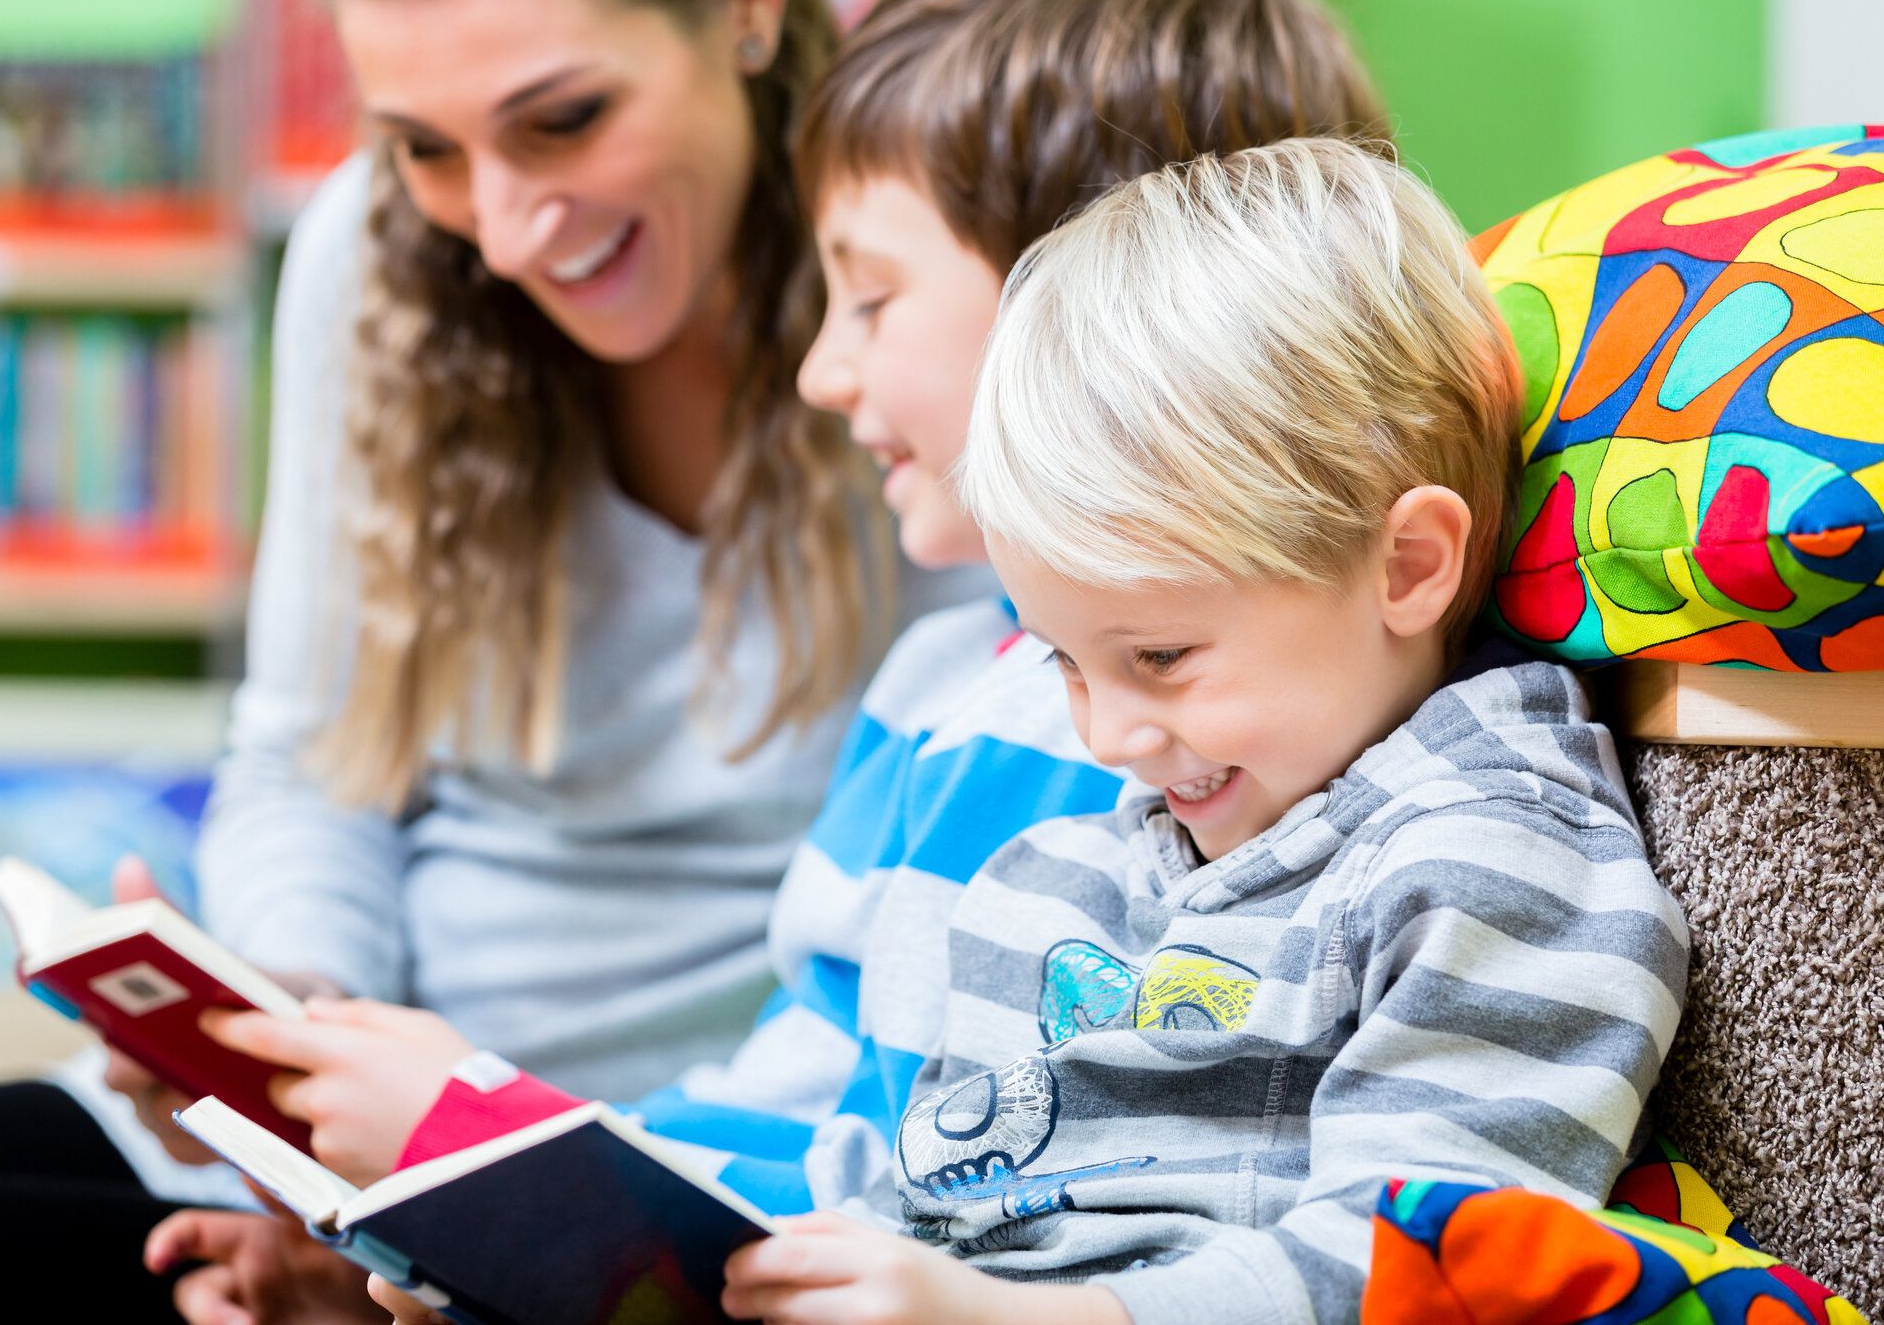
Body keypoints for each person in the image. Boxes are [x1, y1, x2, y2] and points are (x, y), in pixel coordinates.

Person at [151, 0, 1393, 1321]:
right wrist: (448, 1228)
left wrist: (472, 1151)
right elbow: (807, 1133)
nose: (819, 367)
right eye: (427, 148)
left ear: (1101, 306)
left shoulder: (1313, 761)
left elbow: (1027, 1210)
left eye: (865, 298)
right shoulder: (946, 699)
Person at [0, 0, 974, 1316]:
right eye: (427, 144)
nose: (510, 228)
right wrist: (282, 1010)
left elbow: (966, 895)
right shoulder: (378, 251)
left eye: (565, 119)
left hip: (679, 1171)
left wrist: (474, 1177)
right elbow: (312, 761)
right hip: (356, 1138)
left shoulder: (924, 306)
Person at [707, 141, 1689, 1323]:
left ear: (1409, 566)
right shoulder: (1055, 875)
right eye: (1065, 659)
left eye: (1160, 657)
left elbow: (1432, 1266)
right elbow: (933, 1203)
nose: (1108, 732)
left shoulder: (1497, 865)